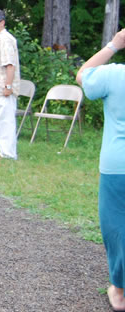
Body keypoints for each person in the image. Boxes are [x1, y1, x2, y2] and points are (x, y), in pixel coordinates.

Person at [76, 28, 125, 312]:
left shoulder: (115, 74)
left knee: (117, 226)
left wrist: (113, 45)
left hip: (117, 164)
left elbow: (83, 74)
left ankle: (119, 291)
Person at [0, 9, 20, 160]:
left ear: (2, 23)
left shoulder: (5, 39)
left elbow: (10, 65)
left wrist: (8, 86)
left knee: (6, 121)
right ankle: (4, 152)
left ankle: (8, 154)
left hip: (4, 88)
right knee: (0, 120)